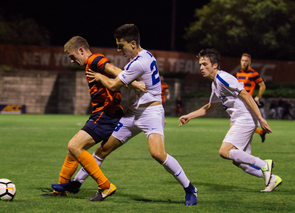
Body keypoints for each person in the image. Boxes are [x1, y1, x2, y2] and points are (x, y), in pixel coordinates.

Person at [52, 24, 198, 206]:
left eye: (121, 45)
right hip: (132, 114)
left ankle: (190, 188)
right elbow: (126, 79)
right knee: (102, 149)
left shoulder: (138, 63)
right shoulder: (141, 57)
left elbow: (113, 85)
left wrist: (99, 77)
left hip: (150, 113)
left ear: (133, 43)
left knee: (158, 154)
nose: (118, 49)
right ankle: (76, 183)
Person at [41, 36, 145, 201]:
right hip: (101, 113)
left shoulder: (94, 59)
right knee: (73, 148)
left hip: (106, 114)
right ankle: (61, 189)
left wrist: (133, 83)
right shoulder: (91, 63)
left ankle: (105, 186)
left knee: (74, 146)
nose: (72, 61)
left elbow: (115, 69)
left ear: (81, 50)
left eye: (72, 57)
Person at [179, 48, 282, 192]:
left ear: (215, 65)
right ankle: (273, 179)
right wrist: (189, 116)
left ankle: (264, 164)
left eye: (205, 64)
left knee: (224, 151)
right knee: (238, 161)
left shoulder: (222, 78)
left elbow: (246, 95)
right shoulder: (214, 83)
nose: (201, 68)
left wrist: (261, 118)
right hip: (241, 120)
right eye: (200, 65)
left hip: (244, 119)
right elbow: (210, 107)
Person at [236, 53, 267, 142]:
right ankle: (260, 132)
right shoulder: (239, 73)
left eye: (246, 61)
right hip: (239, 101)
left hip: (247, 102)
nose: (244, 63)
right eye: (242, 60)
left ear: (250, 62)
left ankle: (240, 144)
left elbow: (262, 86)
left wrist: (257, 97)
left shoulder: (253, 73)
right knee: (237, 124)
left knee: (235, 124)